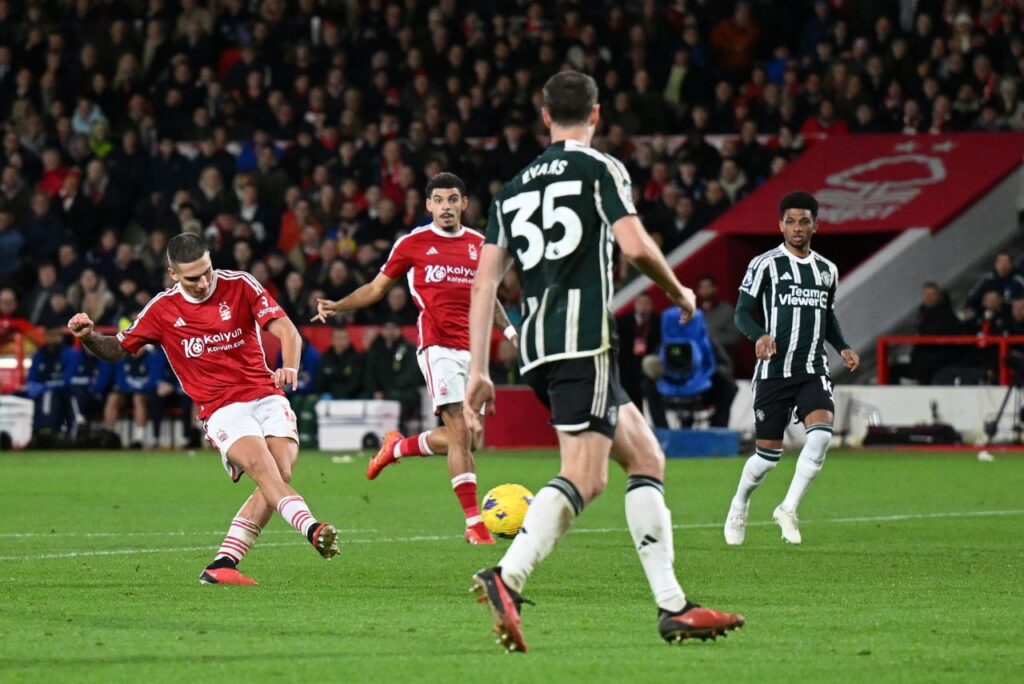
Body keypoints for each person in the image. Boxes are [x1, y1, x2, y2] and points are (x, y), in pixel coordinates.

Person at [464, 71, 744, 652]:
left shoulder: (510, 190)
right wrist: (678, 291)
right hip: (582, 340)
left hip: (538, 347)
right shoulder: (600, 168)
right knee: (586, 476)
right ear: (596, 113)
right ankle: (506, 578)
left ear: (544, 116)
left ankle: (673, 606)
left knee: (646, 455)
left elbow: (485, 283)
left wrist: (478, 370)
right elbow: (636, 245)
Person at [67, 233, 339, 586]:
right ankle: (312, 529)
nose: (203, 282)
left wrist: (289, 365)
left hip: (267, 394)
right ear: (173, 274)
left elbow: (287, 330)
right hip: (222, 408)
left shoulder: (240, 284)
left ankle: (223, 563)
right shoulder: (162, 309)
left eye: (207, 272)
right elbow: (117, 349)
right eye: (192, 277)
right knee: (262, 467)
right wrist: (89, 336)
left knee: (280, 475)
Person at [314, 172, 517, 545]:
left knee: (471, 440)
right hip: (437, 345)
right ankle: (475, 525)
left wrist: (510, 332)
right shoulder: (413, 243)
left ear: (464, 204)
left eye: (453, 199)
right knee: (459, 431)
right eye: (438, 200)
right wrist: (339, 306)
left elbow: (490, 296)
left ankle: (399, 447)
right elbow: (377, 288)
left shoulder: (479, 245)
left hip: (473, 351)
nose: (446, 207)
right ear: (428, 205)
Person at [725, 191, 860, 547]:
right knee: (766, 458)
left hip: (812, 369)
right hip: (773, 372)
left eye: (804, 221)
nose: (797, 228)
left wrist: (842, 345)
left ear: (815, 225)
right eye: (790, 221)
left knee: (820, 436)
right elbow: (741, 311)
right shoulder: (765, 264)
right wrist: (758, 335)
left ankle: (788, 507)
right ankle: (739, 504)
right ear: (780, 225)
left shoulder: (826, 270)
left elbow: (826, 315)